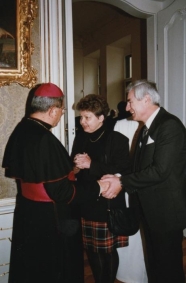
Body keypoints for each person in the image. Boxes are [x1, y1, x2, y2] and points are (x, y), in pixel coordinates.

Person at [2, 83, 108, 283]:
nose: (62, 114)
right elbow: (62, 192)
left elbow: (39, 173)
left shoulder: (23, 128)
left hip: (29, 213)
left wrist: (69, 170)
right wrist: (99, 187)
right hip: (52, 219)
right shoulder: (43, 138)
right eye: (61, 109)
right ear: (52, 110)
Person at [101, 79, 186, 283]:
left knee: (169, 269)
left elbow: (160, 171)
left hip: (167, 212)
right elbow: (139, 167)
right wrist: (116, 177)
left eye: (130, 101)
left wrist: (122, 183)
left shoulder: (169, 126)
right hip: (150, 209)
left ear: (147, 99)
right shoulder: (145, 128)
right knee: (155, 265)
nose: (126, 107)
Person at [71, 94, 131, 283]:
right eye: (81, 117)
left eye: (87, 117)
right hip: (85, 200)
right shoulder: (80, 138)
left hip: (107, 203)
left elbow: (124, 171)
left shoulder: (117, 140)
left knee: (107, 251)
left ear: (101, 118)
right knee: (91, 250)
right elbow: (72, 169)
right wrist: (76, 167)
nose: (82, 122)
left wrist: (92, 164)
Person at [114, 117, 148, 283]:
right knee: (131, 229)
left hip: (144, 183)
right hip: (126, 181)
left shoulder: (153, 126)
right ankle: (128, 272)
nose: (129, 106)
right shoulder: (121, 124)